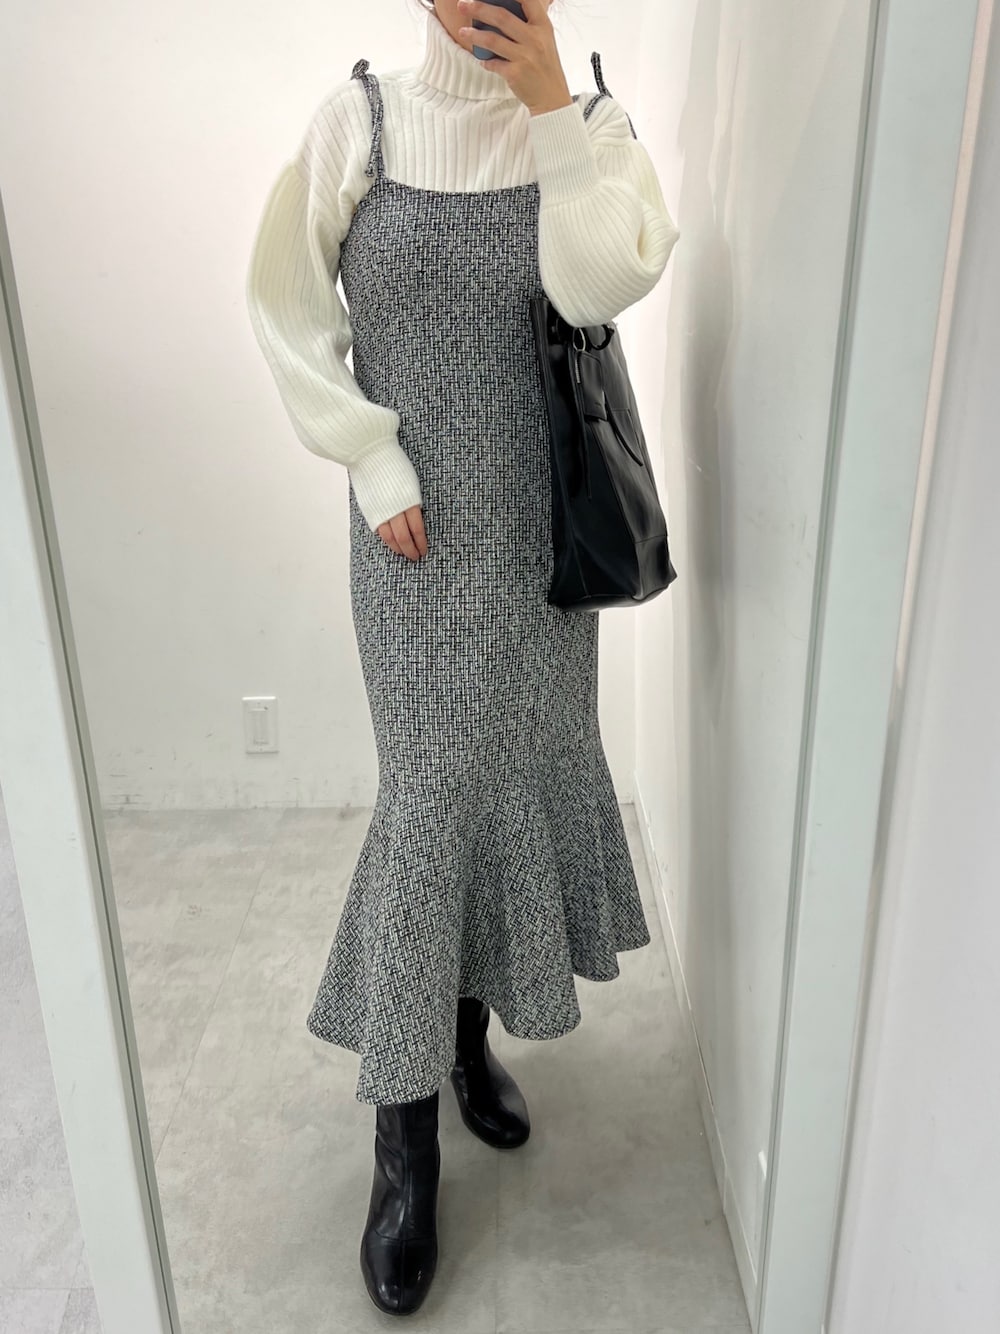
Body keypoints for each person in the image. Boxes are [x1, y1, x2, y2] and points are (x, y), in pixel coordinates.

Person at [245, 0, 679, 1315]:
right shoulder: (359, 122)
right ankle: (403, 1148)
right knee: (429, 808)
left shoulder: (590, 124)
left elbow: (599, 285)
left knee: (509, 791)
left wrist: (548, 104)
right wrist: (370, 458)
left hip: (542, 548)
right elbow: (284, 306)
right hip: (416, 542)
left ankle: (463, 1037)